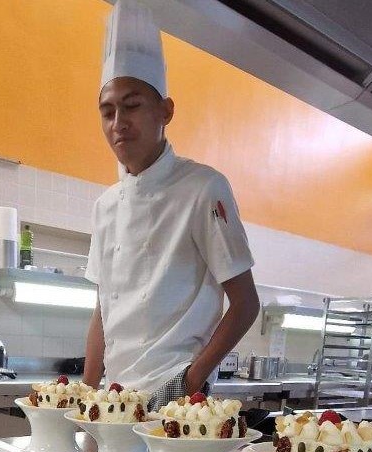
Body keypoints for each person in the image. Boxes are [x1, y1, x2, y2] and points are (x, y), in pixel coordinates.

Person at [83, 0, 260, 409]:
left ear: (166, 110)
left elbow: (246, 303)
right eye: (107, 111)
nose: (118, 123)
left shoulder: (204, 188)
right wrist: (85, 395)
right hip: (114, 400)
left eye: (132, 105)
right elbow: (102, 311)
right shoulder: (105, 206)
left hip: (177, 396)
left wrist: (189, 382)